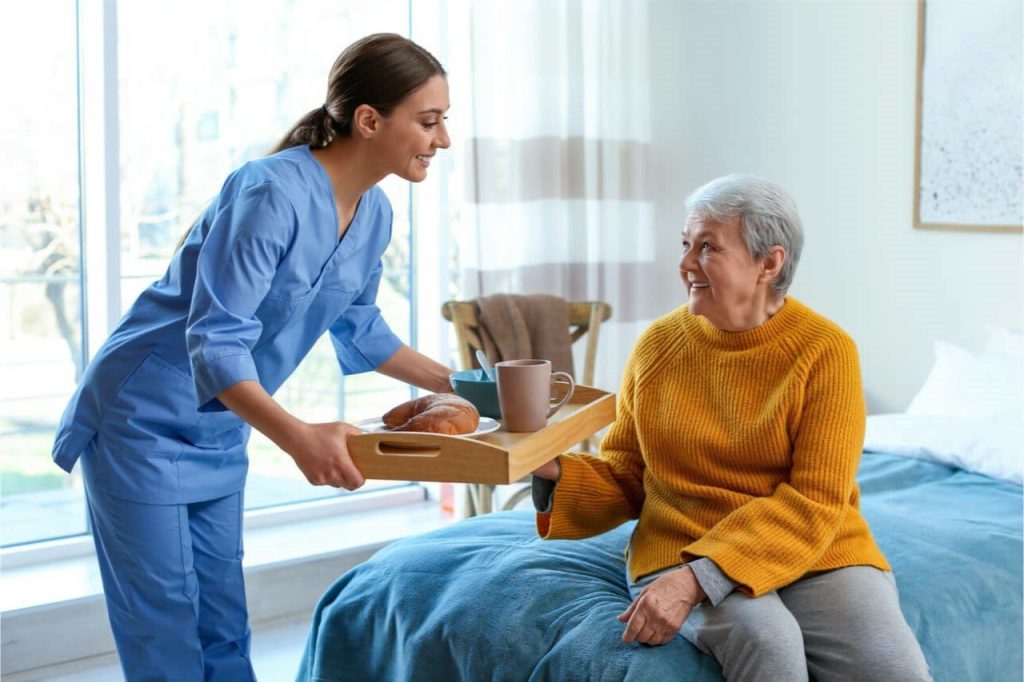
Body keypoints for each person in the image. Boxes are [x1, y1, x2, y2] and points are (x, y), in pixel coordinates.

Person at [51, 33, 453, 681]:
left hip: (220, 423)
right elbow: (214, 339)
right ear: (370, 120)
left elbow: (364, 331)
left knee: (222, 623)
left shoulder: (375, 214)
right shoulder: (271, 192)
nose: (443, 141)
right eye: (429, 122)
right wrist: (298, 437)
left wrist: (471, 386)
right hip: (140, 420)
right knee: (168, 632)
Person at [531, 174, 931, 681]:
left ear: (769, 263)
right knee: (770, 644)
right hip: (682, 542)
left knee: (896, 670)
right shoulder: (658, 346)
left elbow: (816, 500)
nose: (684, 264)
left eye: (707, 247)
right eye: (685, 244)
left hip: (815, 549)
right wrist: (546, 465)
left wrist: (701, 579)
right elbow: (630, 474)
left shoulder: (825, 351)